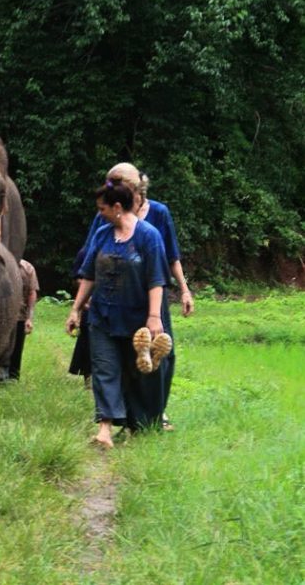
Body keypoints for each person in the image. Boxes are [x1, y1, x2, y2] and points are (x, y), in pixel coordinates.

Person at [81, 163, 193, 430]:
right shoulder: (105, 215)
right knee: (117, 357)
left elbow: (171, 257)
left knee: (159, 357)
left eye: (116, 183)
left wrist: (184, 290)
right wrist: (85, 296)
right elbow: (92, 254)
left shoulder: (159, 214)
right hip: (115, 299)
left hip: (151, 299)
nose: (111, 188)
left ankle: (156, 413)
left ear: (134, 187)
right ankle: (120, 418)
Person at [65, 179, 171, 449]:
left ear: (117, 207)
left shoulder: (148, 236)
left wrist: (154, 317)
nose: (99, 213)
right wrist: (76, 309)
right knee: (104, 369)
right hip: (102, 316)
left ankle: (137, 424)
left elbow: (156, 279)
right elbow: (88, 275)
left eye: (102, 208)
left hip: (136, 319)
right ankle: (105, 429)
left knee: (135, 371)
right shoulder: (102, 234)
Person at [8, 258, 39, 380]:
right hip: (0, 316)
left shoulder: (27, 267)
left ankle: (13, 376)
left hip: (19, 316)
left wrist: (29, 318)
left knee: (16, 348)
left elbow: (32, 292)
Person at [66, 247, 92, 389]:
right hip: (89, 302)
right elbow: (77, 277)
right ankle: (88, 380)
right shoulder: (86, 252)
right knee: (87, 340)